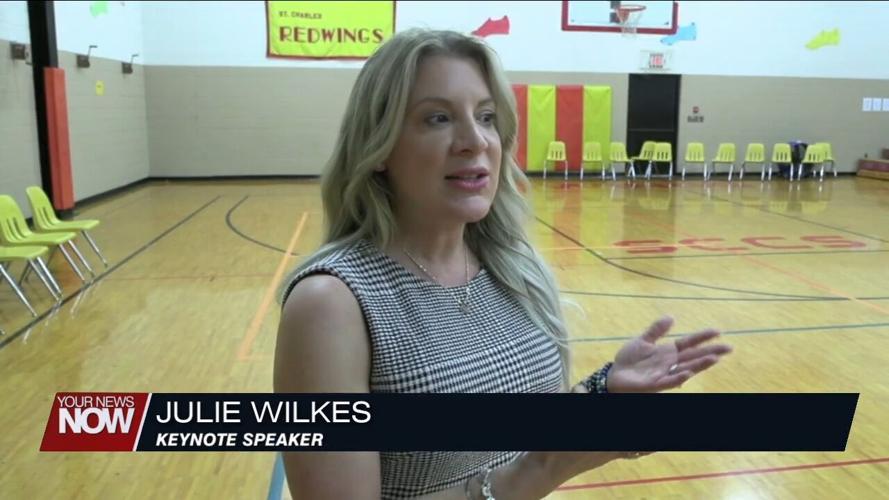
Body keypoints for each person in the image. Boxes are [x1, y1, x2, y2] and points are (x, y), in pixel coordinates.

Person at [274, 28, 732, 500]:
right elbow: (532, 464)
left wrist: (604, 395)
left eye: (487, 116)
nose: (475, 140)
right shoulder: (332, 304)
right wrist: (540, 470)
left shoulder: (515, 270)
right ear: (379, 147)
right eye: (437, 118)